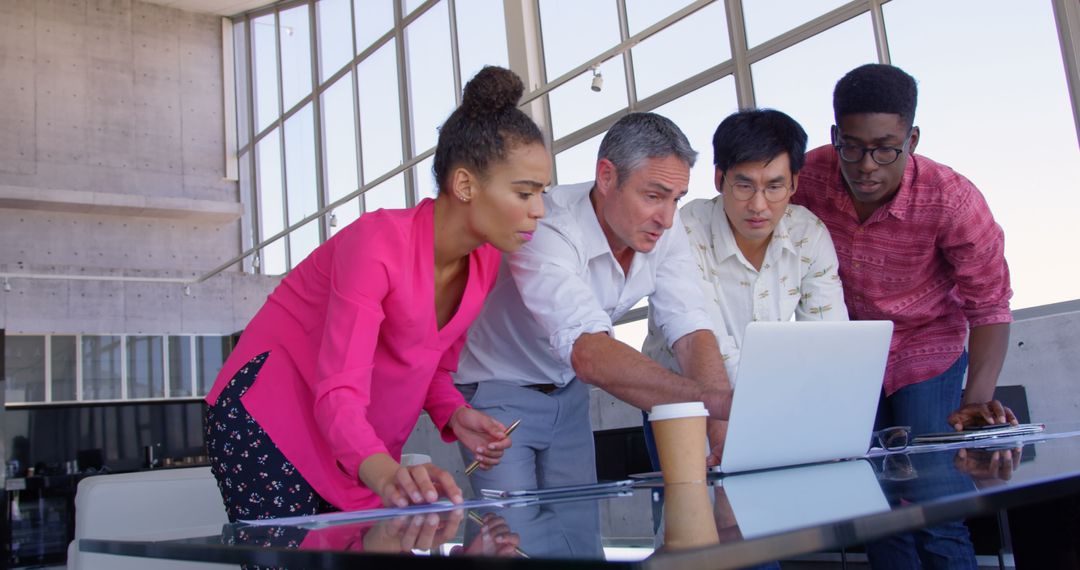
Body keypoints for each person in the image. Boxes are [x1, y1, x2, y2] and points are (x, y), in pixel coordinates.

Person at [203, 66, 551, 521]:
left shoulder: (484, 261)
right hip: (269, 414)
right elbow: (339, 388)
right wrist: (386, 474)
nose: (539, 210)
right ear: (465, 185)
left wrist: (454, 413)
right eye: (524, 193)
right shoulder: (376, 245)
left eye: (541, 193)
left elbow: (430, 365)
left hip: (349, 435)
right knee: (292, 552)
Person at [790, 63, 1015, 569]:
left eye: (885, 149)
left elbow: (990, 305)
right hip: (848, 351)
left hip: (926, 346)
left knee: (938, 505)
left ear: (911, 140)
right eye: (852, 147)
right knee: (875, 508)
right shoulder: (809, 177)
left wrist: (974, 407)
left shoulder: (953, 198)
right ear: (835, 136)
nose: (866, 166)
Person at [453, 112, 733, 499]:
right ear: (606, 176)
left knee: (578, 525)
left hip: (568, 393)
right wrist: (712, 401)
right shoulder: (547, 225)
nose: (667, 219)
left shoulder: (663, 232)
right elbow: (587, 351)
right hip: (498, 389)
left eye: (677, 198)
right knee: (511, 527)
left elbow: (690, 327)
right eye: (653, 196)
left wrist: (722, 431)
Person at [642, 109, 847, 458]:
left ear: (794, 183)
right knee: (693, 492)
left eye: (774, 187)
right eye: (744, 185)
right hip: (680, 404)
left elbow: (828, 340)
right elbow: (709, 344)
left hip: (771, 404)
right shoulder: (685, 229)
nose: (758, 205)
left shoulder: (808, 234)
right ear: (719, 178)